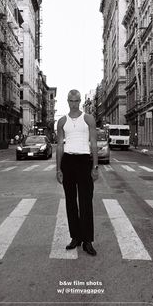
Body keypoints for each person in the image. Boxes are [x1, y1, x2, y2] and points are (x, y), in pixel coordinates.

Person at [56, 89, 98, 256]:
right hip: (68, 161)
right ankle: (75, 237)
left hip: (84, 161)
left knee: (86, 201)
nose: (74, 103)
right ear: (67, 101)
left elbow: (93, 143)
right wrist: (58, 168)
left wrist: (95, 167)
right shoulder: (61, 121)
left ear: (80, 101)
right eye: (71, 100)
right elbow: (59, 146)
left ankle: (87, 240)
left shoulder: (88, 119)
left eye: (76, 100)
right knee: (71, 202)